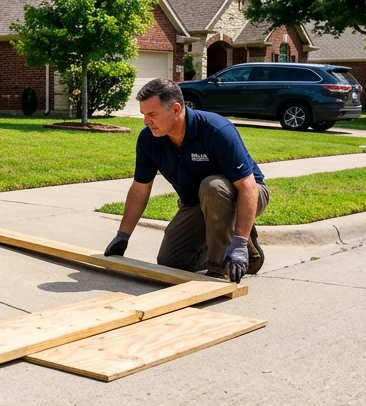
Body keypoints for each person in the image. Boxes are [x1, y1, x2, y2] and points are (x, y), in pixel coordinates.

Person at [104, 78, 268, 282]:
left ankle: (220, 267)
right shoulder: (149, 139)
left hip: (246, 194)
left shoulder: (216, 130)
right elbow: (140, 188)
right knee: (171, 262)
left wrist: (240, 242)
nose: (146, 121)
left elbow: (248, 187)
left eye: (152, 114)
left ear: (175, 109)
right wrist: (123, 235)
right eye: (144, 115)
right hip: (195, 203)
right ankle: (236, 246)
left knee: (212, 187)